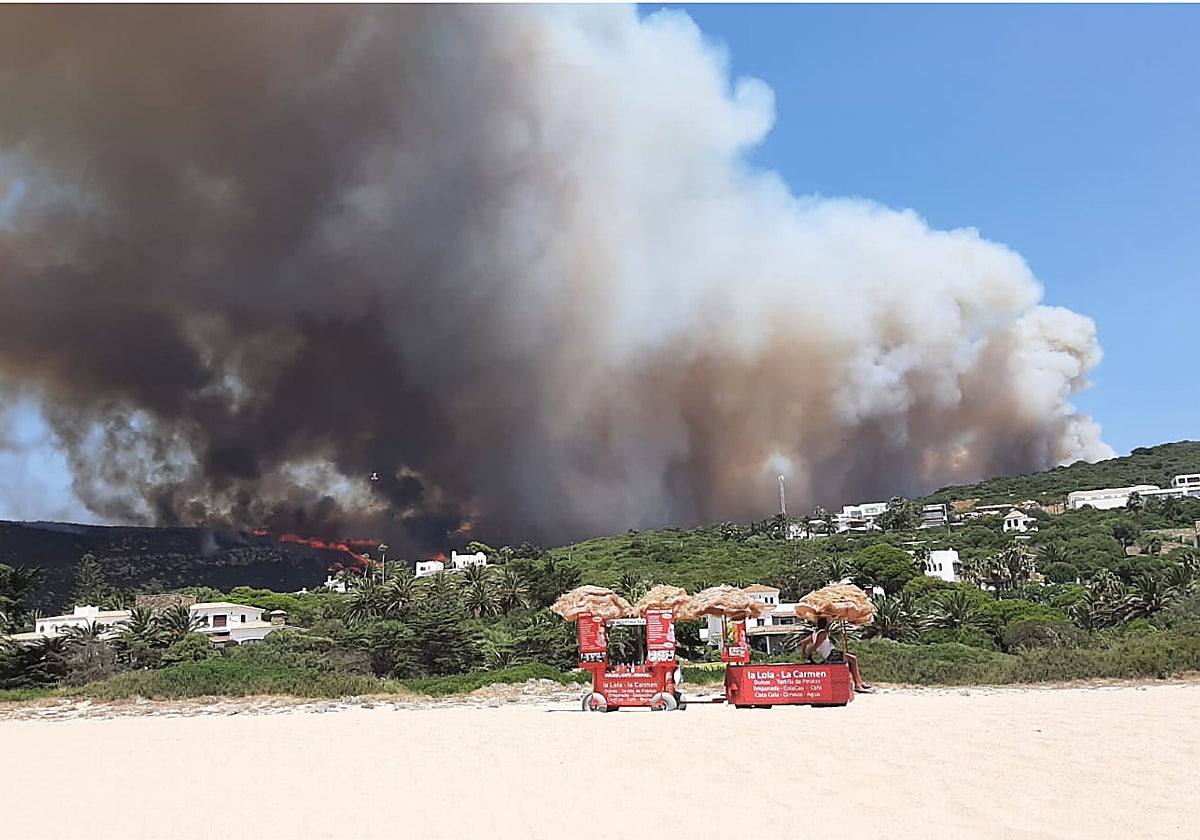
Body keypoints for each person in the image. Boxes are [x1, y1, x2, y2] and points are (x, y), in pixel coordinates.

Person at [799, 617, 872, 693]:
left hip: (832, 653)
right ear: (826, 624)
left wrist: (803, 653)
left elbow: (804, 642)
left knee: (851, 660)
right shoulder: (822, 633)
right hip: (831, 655)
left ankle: (860, 682)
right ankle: (857, 684)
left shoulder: (814, 633)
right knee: (852, 659)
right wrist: (808, 654)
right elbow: (815, 646)